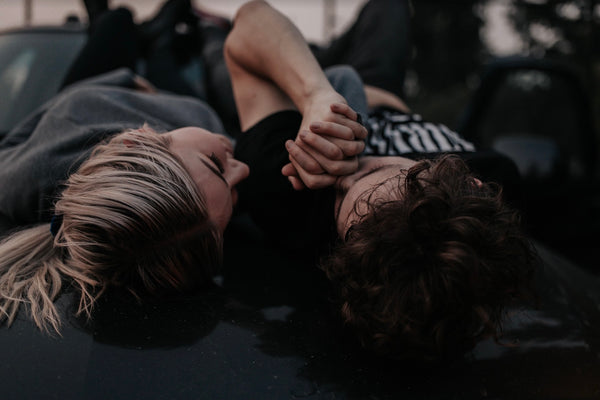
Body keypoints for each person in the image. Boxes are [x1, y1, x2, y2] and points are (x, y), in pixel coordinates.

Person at [224, 0, 539, 361]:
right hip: (380, 83)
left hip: (284, 84)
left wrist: (314, 94)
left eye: (339, 201)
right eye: (374, 170)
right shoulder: (494, 184)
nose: (342, 174)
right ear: (473, 186)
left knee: (210, 46)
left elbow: (250, 21)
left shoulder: (290, 193)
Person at [0, 63, 249, 332]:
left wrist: (134, 83)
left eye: (213, 164)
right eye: (232, 198)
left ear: (137, 138)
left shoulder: (43, 157)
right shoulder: (189, 226)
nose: (243, 170)